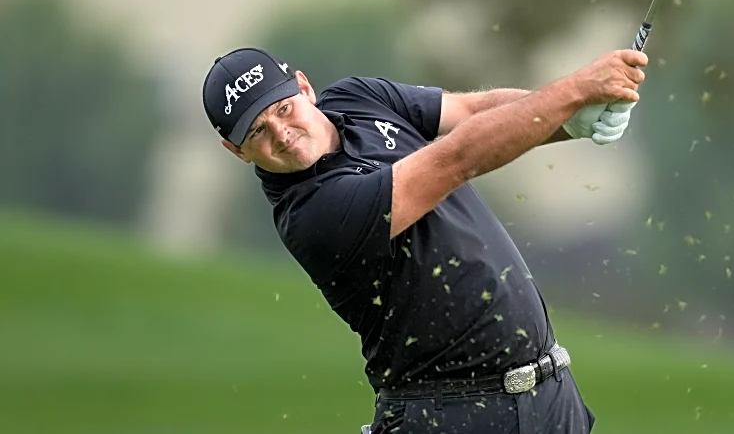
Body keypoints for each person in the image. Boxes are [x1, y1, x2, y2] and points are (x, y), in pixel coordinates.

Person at [201, 45, 648, 433]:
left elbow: (473, 113)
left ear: (303, 87)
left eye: (282, 109)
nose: (281, 133)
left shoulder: (357, 98)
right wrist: (573, 91)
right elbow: (454, 159)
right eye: (257, 131)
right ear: (236, 150)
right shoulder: (311, 214)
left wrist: (572, 121)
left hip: (551, 399)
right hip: (449, 414)